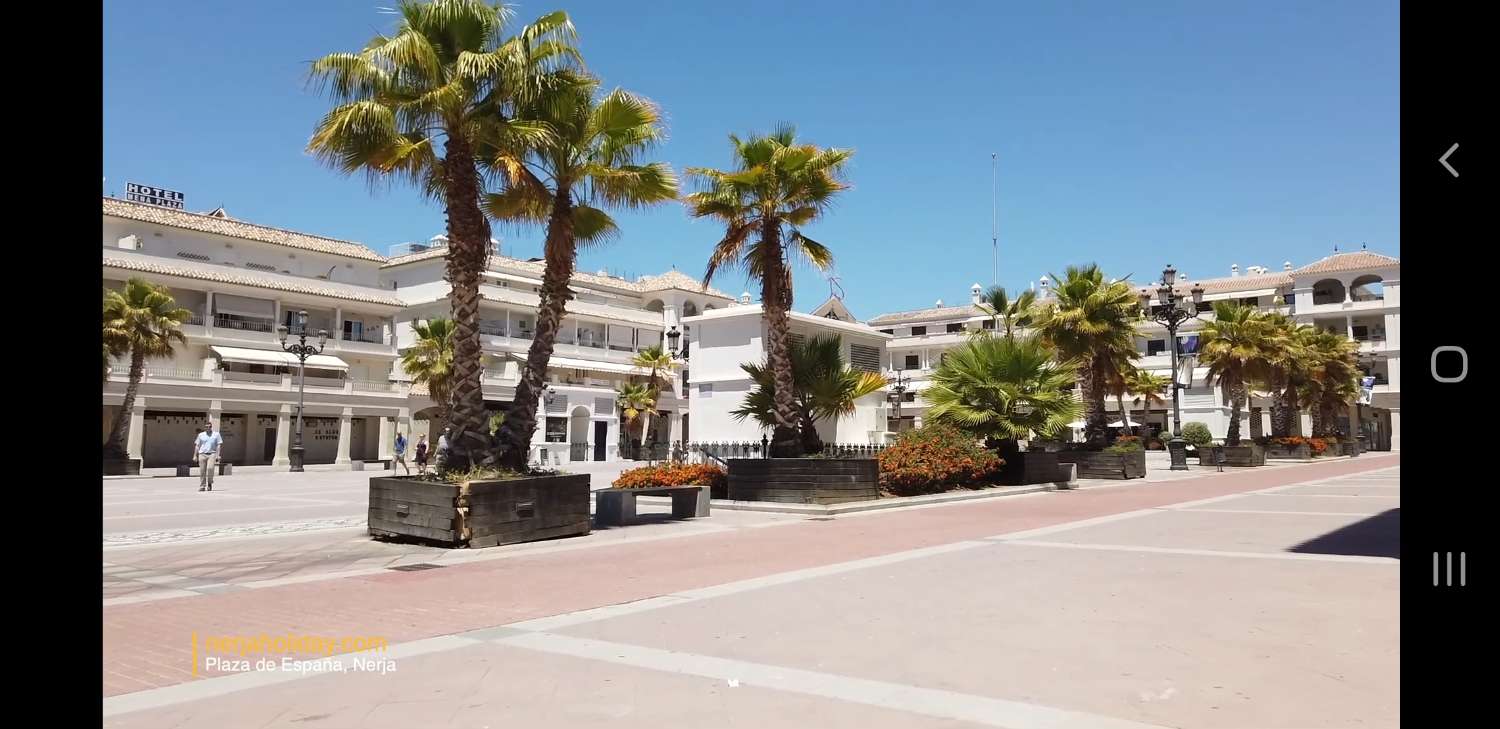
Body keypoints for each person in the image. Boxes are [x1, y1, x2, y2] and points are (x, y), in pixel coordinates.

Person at [193, 421, 223, 492]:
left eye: (209, 427)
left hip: (212, 454)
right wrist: (195, 455)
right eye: (206, 427)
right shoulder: (201, 435)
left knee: (210, 468)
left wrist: (218, 455)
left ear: (211, 427)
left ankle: (209, 483)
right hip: (202, 454)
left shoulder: (216, 434)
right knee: (202, 471)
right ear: (205, 427)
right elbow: (197, 445)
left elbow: (219, 445)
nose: (208, 428)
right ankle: (202, 486)